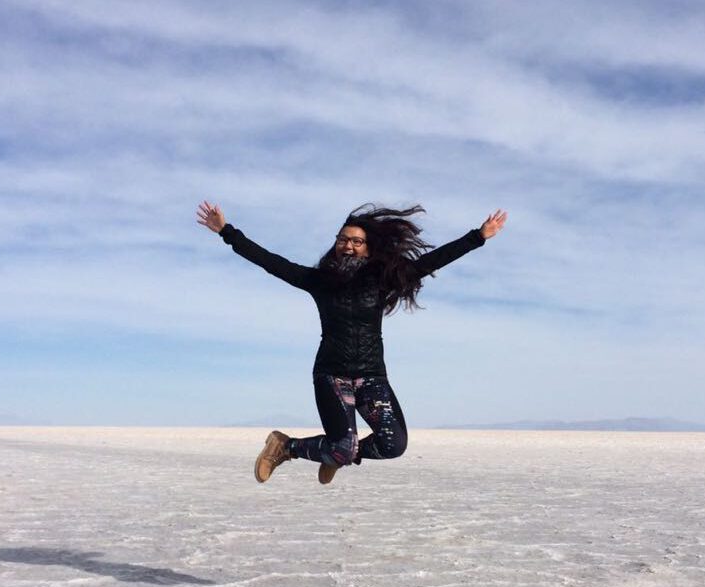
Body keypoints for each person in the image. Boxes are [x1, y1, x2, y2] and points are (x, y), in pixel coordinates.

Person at [195, 201, 508, 484]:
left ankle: (334, 453)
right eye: (343, 239)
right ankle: (285, 446)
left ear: (368, 248)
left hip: (372, 375)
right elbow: (269, 261)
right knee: (344, 448)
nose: (348, 245)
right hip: (333, 374)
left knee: (393, 445)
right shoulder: (318, 281)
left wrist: (477, 237)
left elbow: (431, 261)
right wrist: (227, 231)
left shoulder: (382, 280)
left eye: (357, 241)